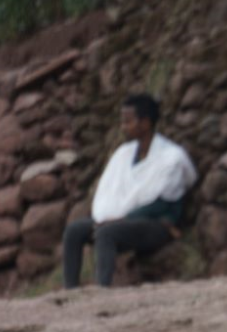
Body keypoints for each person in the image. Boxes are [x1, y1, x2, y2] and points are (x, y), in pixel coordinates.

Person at [62, 93, 198, 289]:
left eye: (128, 121)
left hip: (157, 225)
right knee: (75, 230)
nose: (123, 127)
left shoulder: (171, 157)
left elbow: (160, 205)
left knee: (106, 233)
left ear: (145, 123)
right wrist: (110, 217)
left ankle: (102, 289)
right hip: (119, 219)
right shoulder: (124, 154)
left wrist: (121, 220)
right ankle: (71, 290)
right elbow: (112, 192)